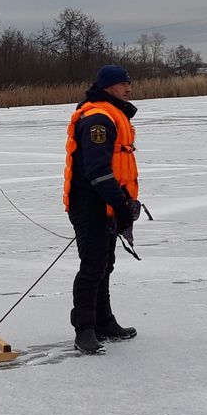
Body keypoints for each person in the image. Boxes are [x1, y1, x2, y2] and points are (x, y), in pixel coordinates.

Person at [62, 64, 142, 354]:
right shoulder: (98, 118)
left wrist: (119, 205)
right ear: (108, 87)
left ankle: (104, 321)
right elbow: (98, 171)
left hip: (106, 203)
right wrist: (121, 205)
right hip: (89, 204)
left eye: (128, 83)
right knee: (93, 266)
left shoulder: (111, 113)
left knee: (105, 263)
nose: (128, 88)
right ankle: (84, 330)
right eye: (123, 84)